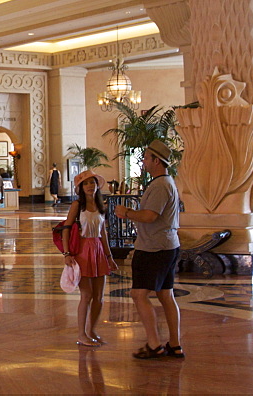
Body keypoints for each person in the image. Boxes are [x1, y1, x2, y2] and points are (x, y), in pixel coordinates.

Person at [114, 139, 183, 359]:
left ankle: (155, 344)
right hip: (167, 245)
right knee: (165, 295)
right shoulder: (165, 183)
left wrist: (126, 212)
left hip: (154, 248)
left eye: (146, 158)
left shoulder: (161, 185)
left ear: (156, 160)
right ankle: (174, 344)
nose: (143, 162)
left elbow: (150, 216)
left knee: (138, 294)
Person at [62, 169, 117, 347]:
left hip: (99, 250)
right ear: (80, 187)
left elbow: (103, 233)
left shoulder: (101, 206)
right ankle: (81, 334)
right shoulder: (77, 205)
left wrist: (109, 257)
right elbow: (66, 228)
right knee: (86, 295)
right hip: (83, 251)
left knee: (99, 296)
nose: (89, 186)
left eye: (92, 182)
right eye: (86, 183)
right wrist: (67, 253)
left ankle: (92, 330)